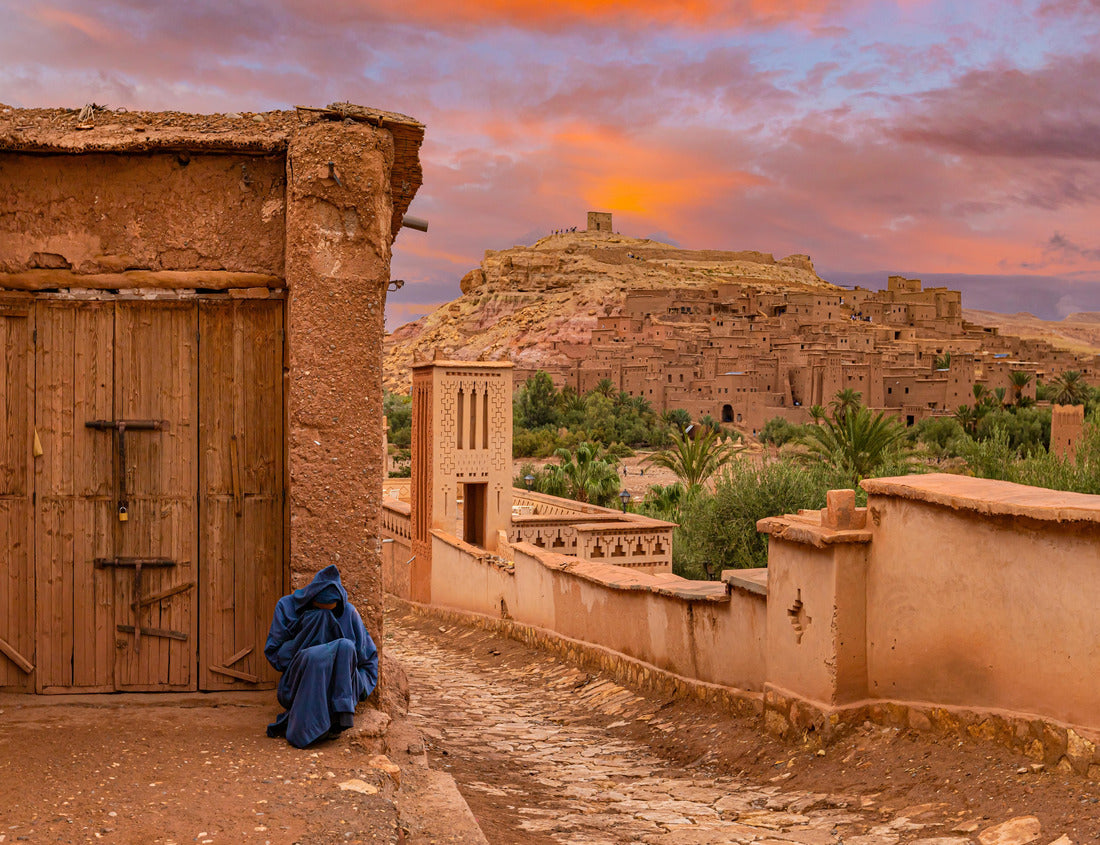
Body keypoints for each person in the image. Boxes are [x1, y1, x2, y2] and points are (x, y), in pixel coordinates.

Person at [264, 564, 378, 748]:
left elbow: (368, 660)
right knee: (317, 657)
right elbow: (274, 654)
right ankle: (313, 724)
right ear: (311, 599)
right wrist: (308, 641)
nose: (326, 614)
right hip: (297, 686)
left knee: (346, 646)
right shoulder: (286, 607)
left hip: (342, 688)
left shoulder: (349, 613)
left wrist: (356, 690)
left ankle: (340, 715)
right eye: (319, 608)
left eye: (331, 610)